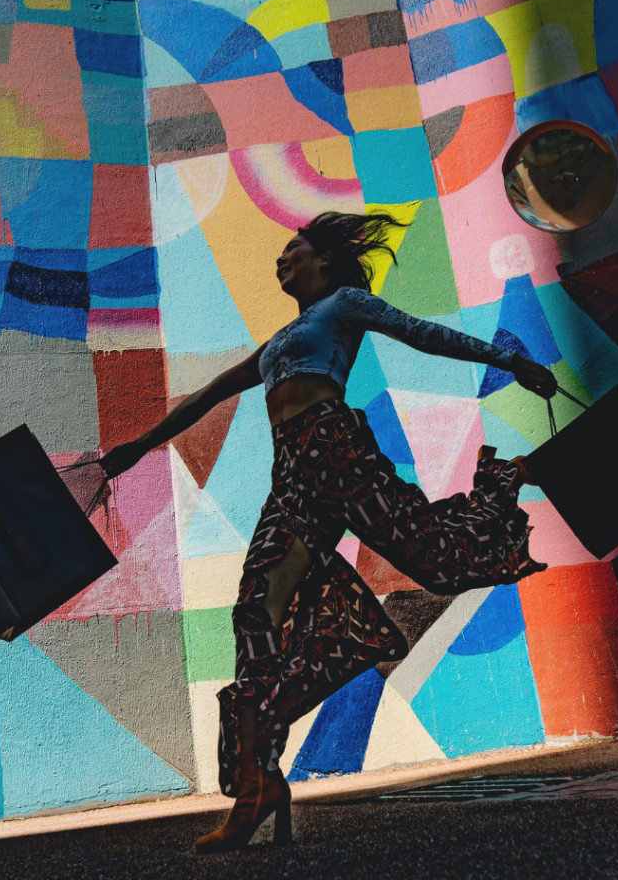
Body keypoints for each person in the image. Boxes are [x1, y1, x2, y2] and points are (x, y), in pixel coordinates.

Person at [65, 212, 556, 854]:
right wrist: (135, 449)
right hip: (292, 470)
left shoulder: (344, 304)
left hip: (335, 446)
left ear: (324, 261)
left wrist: (509, 360)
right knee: (255, 614)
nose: (281, 260)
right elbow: (208, 396)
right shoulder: (275, 343)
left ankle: (505, 479)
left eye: (291, 250)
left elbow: (421, 334)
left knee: (436, 562)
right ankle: (257, 785)